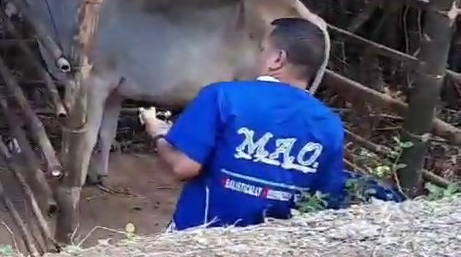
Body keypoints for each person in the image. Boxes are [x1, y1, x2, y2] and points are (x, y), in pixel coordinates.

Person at [138, 17, 346, 231]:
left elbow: (183, 167)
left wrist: (158, 134)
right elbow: (325, 198)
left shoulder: (222, 96)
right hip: (271, 251)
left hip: (199, 239)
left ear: (277, 59)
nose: (258, 56)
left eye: (262, 50)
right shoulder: (329, 124)